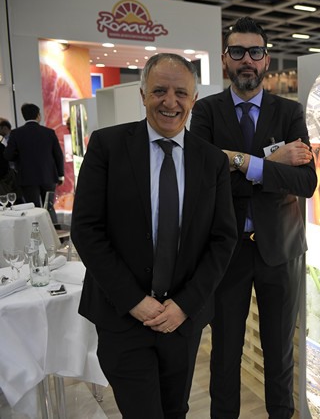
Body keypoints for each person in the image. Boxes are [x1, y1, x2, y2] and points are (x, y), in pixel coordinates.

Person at [71, 53, 237, 418]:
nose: (170, 102)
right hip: (122, 316)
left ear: (194, 99)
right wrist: (134, 300)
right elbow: (86, 229)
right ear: (143, 94)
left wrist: (185, 305)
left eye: (181, 93)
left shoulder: (212, 160)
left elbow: (223, 240)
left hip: (181, 321)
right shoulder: (107, 146)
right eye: (160, 90)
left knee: (176, 409)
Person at [190, 17, 317, 419]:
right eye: (238, 51)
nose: (247, 59)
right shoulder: (206, 112)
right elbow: (201, 180)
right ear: (225, 59)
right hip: (225, 252)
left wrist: (237, 163)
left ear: (266, 59)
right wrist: (270, 162)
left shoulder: (290, 112)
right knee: (225, 353)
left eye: (255, 51)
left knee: (279, 354)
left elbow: (307, 182)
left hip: (280, 249)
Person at [3, 103, 64, 206]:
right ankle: (50, 217)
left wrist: (19, 158)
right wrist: (60, 175)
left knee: (33, 207)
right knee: (49, 206)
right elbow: (58, 154)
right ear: (38, 115)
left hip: (27, 177)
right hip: (48, 175)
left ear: (24, 116)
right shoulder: (49, 132)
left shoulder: (16, 133)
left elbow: (8, 155)